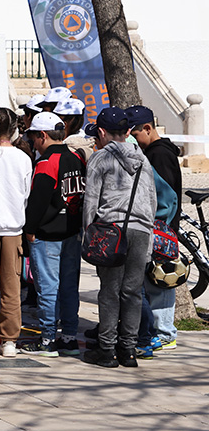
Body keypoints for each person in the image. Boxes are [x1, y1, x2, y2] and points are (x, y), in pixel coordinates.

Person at [82, 107, 158, 368]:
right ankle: (129, 350)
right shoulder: (143, 159)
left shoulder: (100, 159)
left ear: (101, 131)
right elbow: (151, 200)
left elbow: (90, 201)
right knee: (132, 292)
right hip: (140, 229)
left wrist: (88, 234)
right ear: (128, 131)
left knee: (109, 292)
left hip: (110, 230)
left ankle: (107, 350)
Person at [21, 111, 86, 358]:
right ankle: (69, 337)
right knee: (69, 286)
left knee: (47, 288)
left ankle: (48, 338)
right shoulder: (76, 158)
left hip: (48, 234)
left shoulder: (47, 162)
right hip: (71, 231)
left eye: (33, 137)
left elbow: (38, 200)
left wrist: (29, 230)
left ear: (43, 135)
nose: (33, 142)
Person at [128, 105, 181, 352]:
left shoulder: (158, 155)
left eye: (135, 134)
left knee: (159, 281)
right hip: (161, 228)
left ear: (147, 128)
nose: (134, 140)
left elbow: (166, 197)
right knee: (154, 281)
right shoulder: (156, 151)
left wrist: (158, 226)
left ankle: (164, 332)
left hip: (161, 229)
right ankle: (160, 330)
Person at [0, 107, 32, 358]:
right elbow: (25, 194)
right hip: (14, 227)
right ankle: (10, 340)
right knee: (12, 285)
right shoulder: (23, 158)